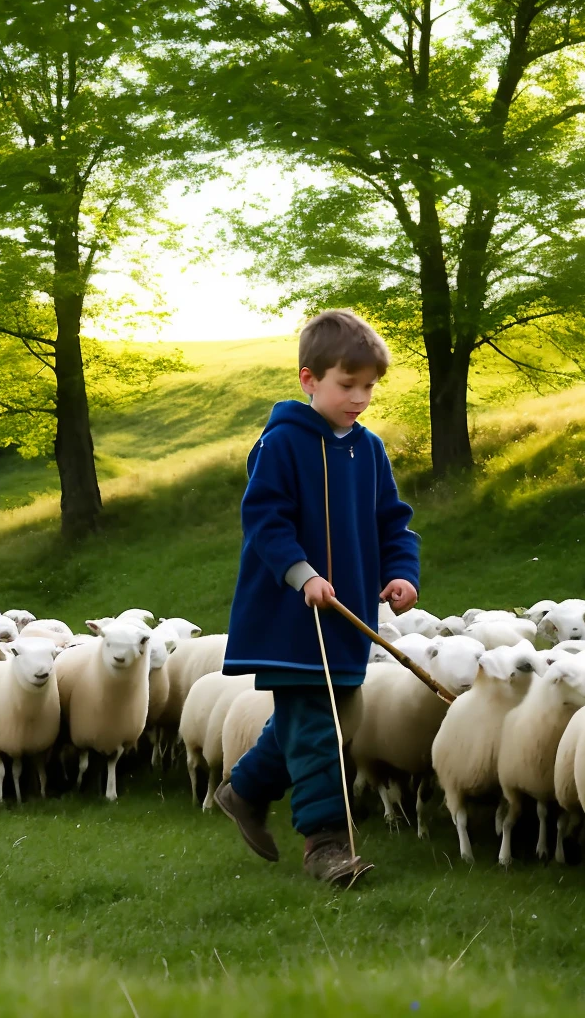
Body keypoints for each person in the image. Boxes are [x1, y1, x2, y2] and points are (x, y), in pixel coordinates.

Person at [212, 308, 420, 886]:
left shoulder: (369, 450)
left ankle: (245, 789)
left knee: (331, 716)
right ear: (310, 380)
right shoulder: (281, 444)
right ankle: (326, 843)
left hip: (347, 614)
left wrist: (402, 573)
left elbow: (393, 523)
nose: (359, 398)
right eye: (346, 385)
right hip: (291, 615)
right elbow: (266, 521)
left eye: (369, 387)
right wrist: (302, 574)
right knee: (319, 725)